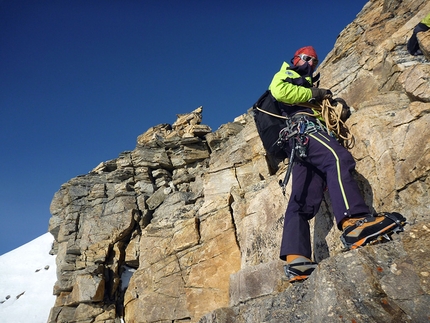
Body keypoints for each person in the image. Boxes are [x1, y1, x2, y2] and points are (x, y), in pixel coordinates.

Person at [260, 46, 406, 283]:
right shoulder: (287, 74)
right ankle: (355, 222)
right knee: (338, 159)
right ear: (295, 59)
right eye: (306, 59)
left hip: (298, 143)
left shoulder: (303, 82)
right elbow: (279, 91)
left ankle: (296, 260)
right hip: (305, 130)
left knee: (302, 198)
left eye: (314, 61)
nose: (311, 64)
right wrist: (313, 95)